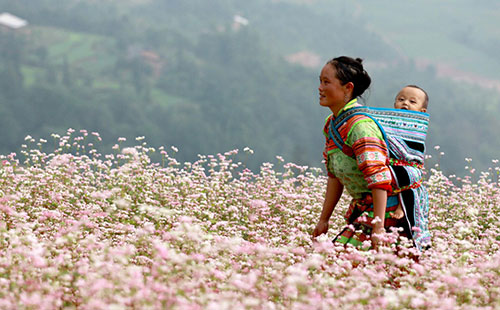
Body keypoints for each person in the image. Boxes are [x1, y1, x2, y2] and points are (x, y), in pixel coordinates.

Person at [312, 56, 401, 249]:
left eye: (326, 82)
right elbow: (334, 176)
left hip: (386, 214)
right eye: (320, 81)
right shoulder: (332, 125)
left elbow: (379, 180)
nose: (320, 88)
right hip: (363, 211)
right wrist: (323, 220)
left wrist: (378, 228)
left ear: (348, 88)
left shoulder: (361, 127)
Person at [390, 85, 428, 220]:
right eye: (401, 99)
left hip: (408, 166)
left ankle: (402, 205)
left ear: (422, 111)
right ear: (394, 105)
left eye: (412, 102)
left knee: (411, 174)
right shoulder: (387, 124)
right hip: (388, 165)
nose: (405, 103)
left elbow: (415, 155)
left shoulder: (418, 131)